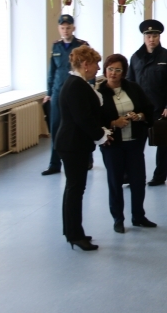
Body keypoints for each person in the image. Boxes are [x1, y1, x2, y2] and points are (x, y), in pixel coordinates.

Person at [54, 45, 112, 251]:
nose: (98, 68)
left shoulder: (78, 83)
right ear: (85, 65)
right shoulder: (76, 86)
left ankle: (73, 231)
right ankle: (74, 234)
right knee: (75, 189)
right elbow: (83, 119)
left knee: (75, 188)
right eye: (96, 64)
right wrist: (102, 136)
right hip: (72, 144)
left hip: (74, 144)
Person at [98, 53, 157, 233]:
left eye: (118, 70)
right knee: (115, 182)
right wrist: (113, 123)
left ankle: (138, 216)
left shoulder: (133, 88)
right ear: (105, 70)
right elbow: (94, 120)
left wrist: (138, 116)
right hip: (112, 145)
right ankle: (118, 219)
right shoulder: (99, 93)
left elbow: (149, 110)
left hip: (134, 143)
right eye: (110, 69)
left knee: (138, 181)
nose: (113, 73)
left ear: (123, 72)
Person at [126, 19, 167, 186]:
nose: (151, 39)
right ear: (144, 37)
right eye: (148, 36)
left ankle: (159, 176)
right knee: (136, 145)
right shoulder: (135, 58)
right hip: (140, 110)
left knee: (162, 144)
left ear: (159, 37)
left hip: (161, 109)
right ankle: (134, 175)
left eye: (155, 36)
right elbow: (129, 83)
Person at [42, 14, 89, 176]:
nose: (65, 31)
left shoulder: (82, 46)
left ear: (73, 28)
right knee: (55, 128)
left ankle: (87, 158)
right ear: (59, 29)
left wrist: (90, 88)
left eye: (68, 27)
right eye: (62, 28)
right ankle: (54, 164)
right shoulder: (56, 47)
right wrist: (49, 93)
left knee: (81, 125)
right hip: (58, 92)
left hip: (76, 92)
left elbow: (88, 68)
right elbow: (52, 71)